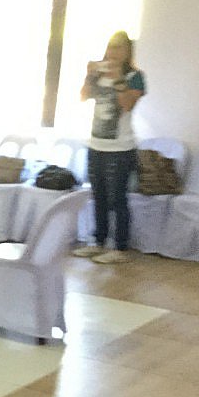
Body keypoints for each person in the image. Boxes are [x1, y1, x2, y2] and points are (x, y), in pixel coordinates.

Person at [72, 30, 146, 264]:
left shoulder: (135, 76)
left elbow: (128, 105)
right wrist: (89, 76)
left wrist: (118, 79)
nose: (113, 52)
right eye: (110, 46)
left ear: (127, 51)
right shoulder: (100, 73)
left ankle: (120, 247)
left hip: (121, 148)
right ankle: (98, 241)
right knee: (99, 197)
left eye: (118, 47)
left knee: (118, 199)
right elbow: (83, 97)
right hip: (96, 145)